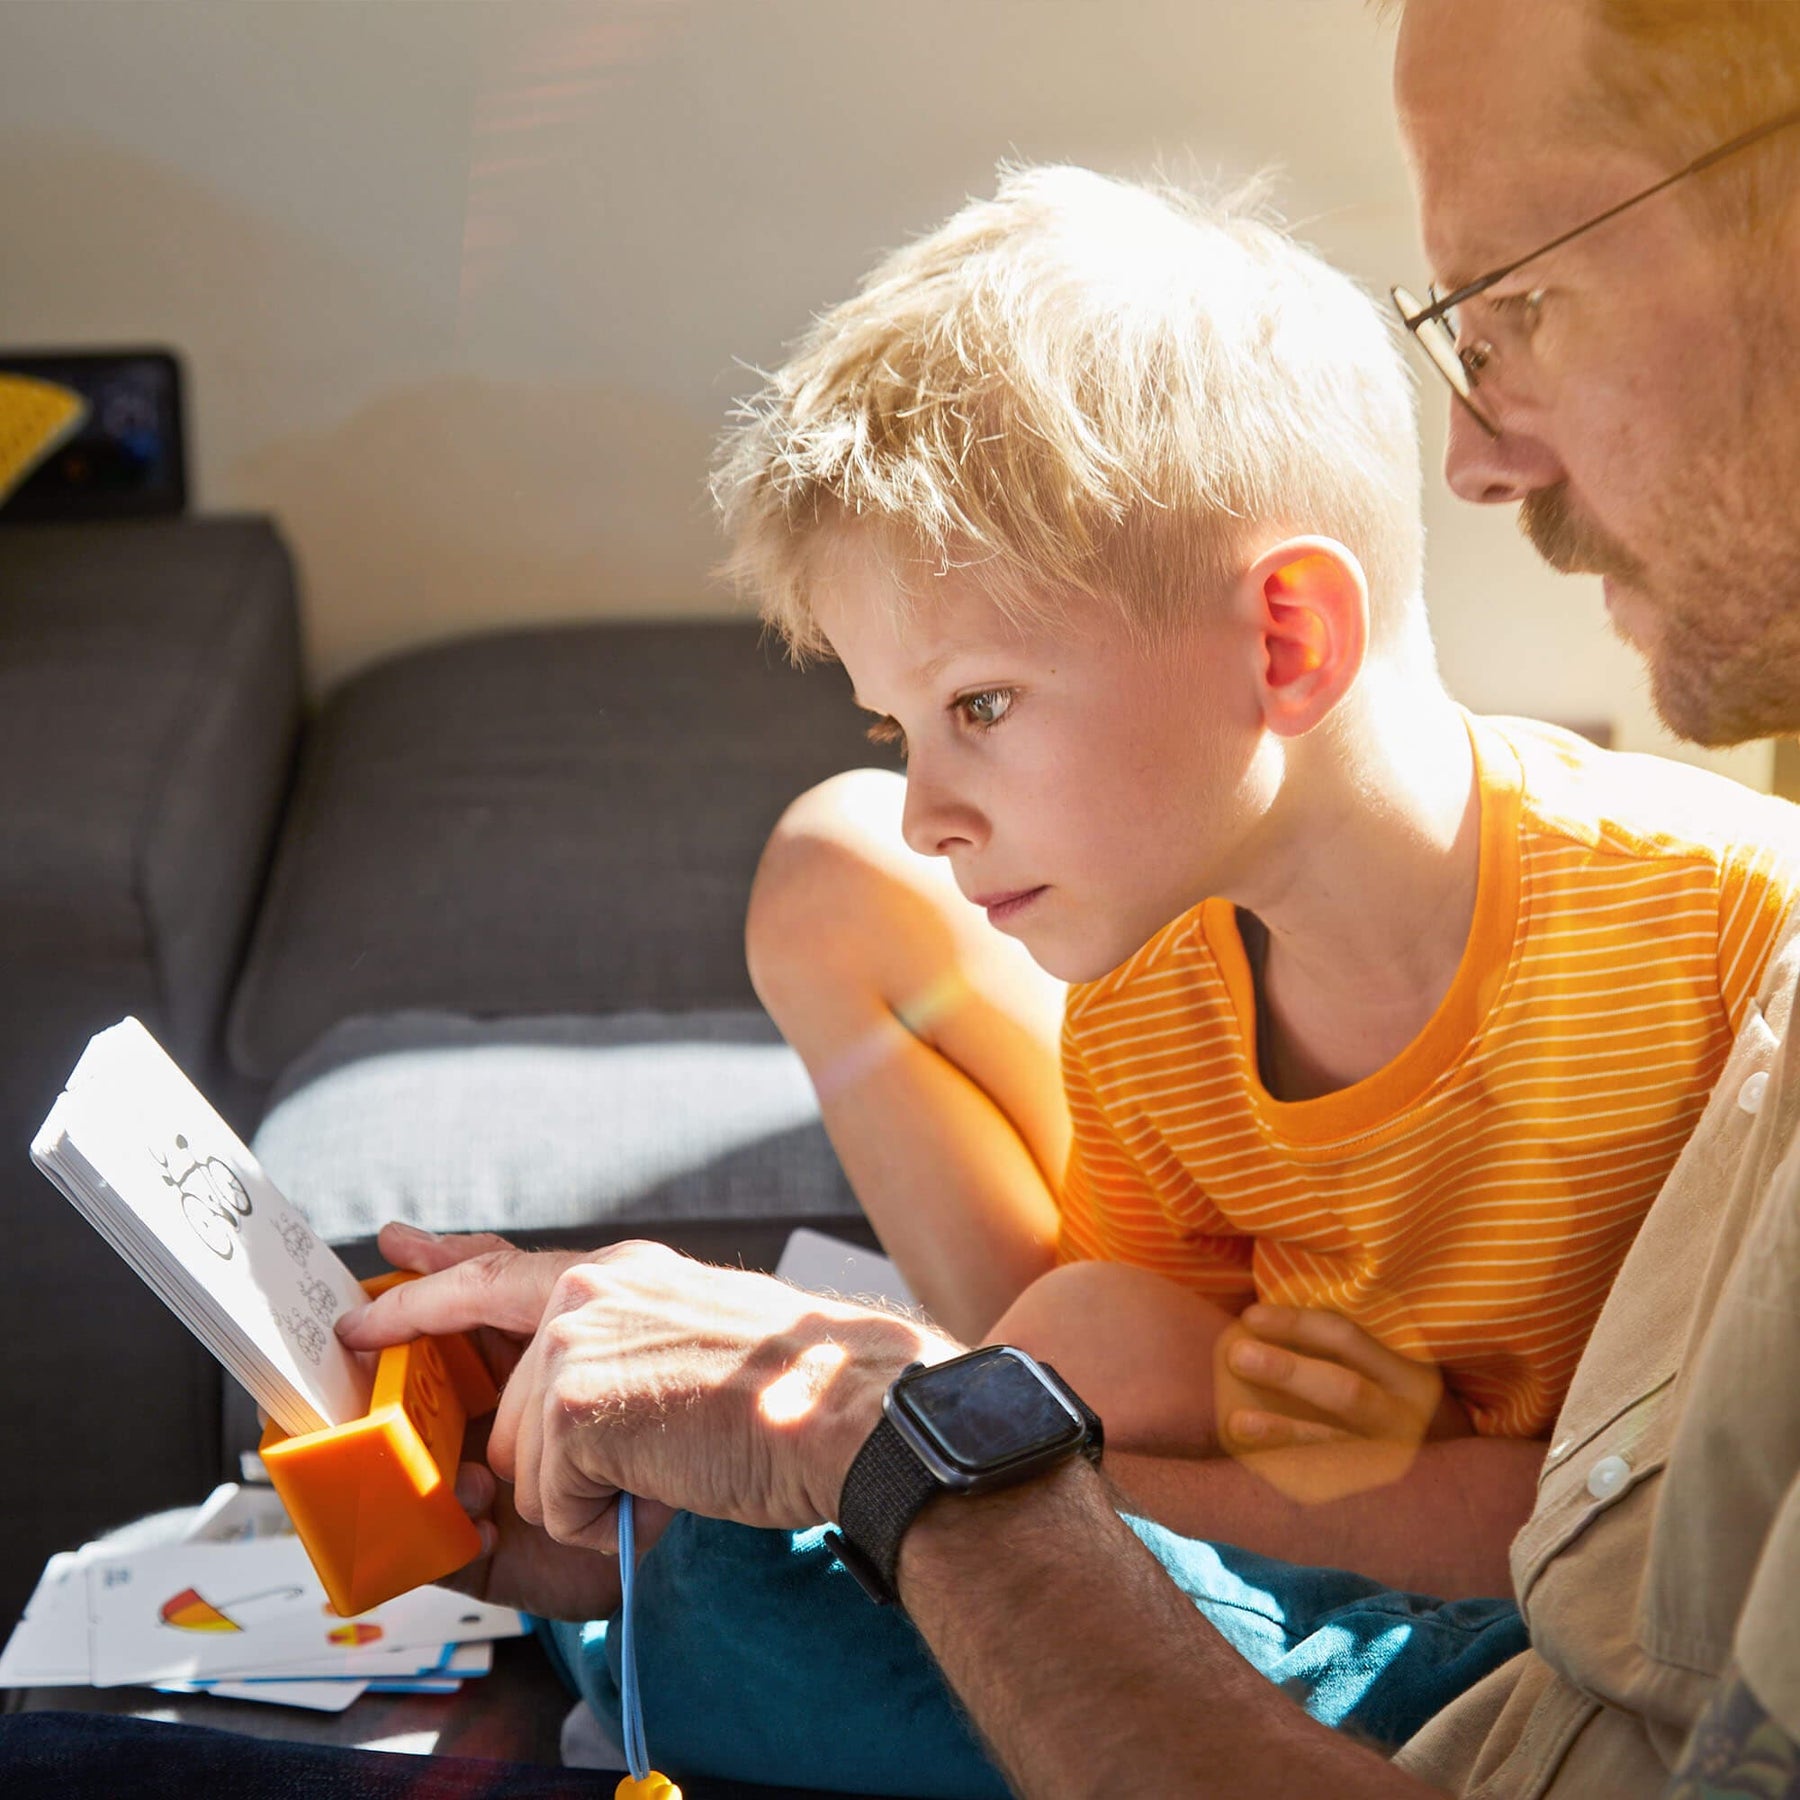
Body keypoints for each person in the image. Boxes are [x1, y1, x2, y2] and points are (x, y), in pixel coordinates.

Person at [6, 0, 1799, 1794]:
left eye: (983, 709)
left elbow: (1593, 1571)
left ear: (1283, 637)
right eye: (901, 724)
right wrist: (967, 1454)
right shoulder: (1160, 995)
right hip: (1308, 1536)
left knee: (791, 1577)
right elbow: (1178, 1414)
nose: (935, 808)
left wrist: (927, 1467)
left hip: (1506, 1627)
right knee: (1020, 1376)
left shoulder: (1725, 943)